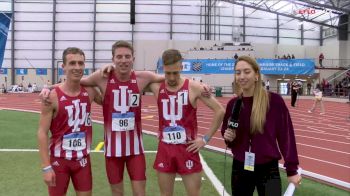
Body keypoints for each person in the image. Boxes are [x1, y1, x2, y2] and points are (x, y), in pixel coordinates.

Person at [148, 49, 225, 196]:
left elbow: (220, 110)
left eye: (175, 73)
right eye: (168, 73)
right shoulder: (156, 85)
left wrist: (205, 139)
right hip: (165, 148)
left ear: (182, 67)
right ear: (163, 68)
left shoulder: (194, 87)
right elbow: (132, 77)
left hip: (188, 149)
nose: (171, 77)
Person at [221, 56, 301, 196]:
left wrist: (291, 170)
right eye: (238, 72)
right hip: (240, 167)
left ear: (256, 75)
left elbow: (286, 136)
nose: (242, 76)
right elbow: (228, 138)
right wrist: (229, 137)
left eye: (247, 71)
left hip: (268, 169)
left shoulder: (274, 101)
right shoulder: (233, 104)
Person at [37, 47, 102, 196]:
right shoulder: (51, 97)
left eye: (81, 63)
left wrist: (103, 75)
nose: (77, 67)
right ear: (63, 67)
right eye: (72, 63)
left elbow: (109, 102)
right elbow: (42, 132)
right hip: (59, 161)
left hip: (83, 160)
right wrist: (46, 167)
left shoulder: (90, 92)